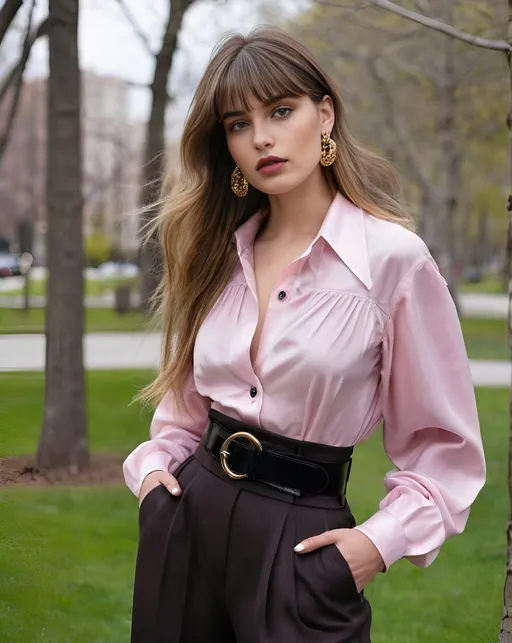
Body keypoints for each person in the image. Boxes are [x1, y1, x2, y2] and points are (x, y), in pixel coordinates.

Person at [123, 26, 486, 643]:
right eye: (238, 124)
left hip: (303, 547)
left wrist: (376, 544)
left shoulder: (392, 261)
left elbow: (444, 447)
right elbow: (185, 408)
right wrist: (156, 479)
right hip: (188, 524)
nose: (261, 136)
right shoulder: (215, 252)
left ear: (325, 115)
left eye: (281, 111)